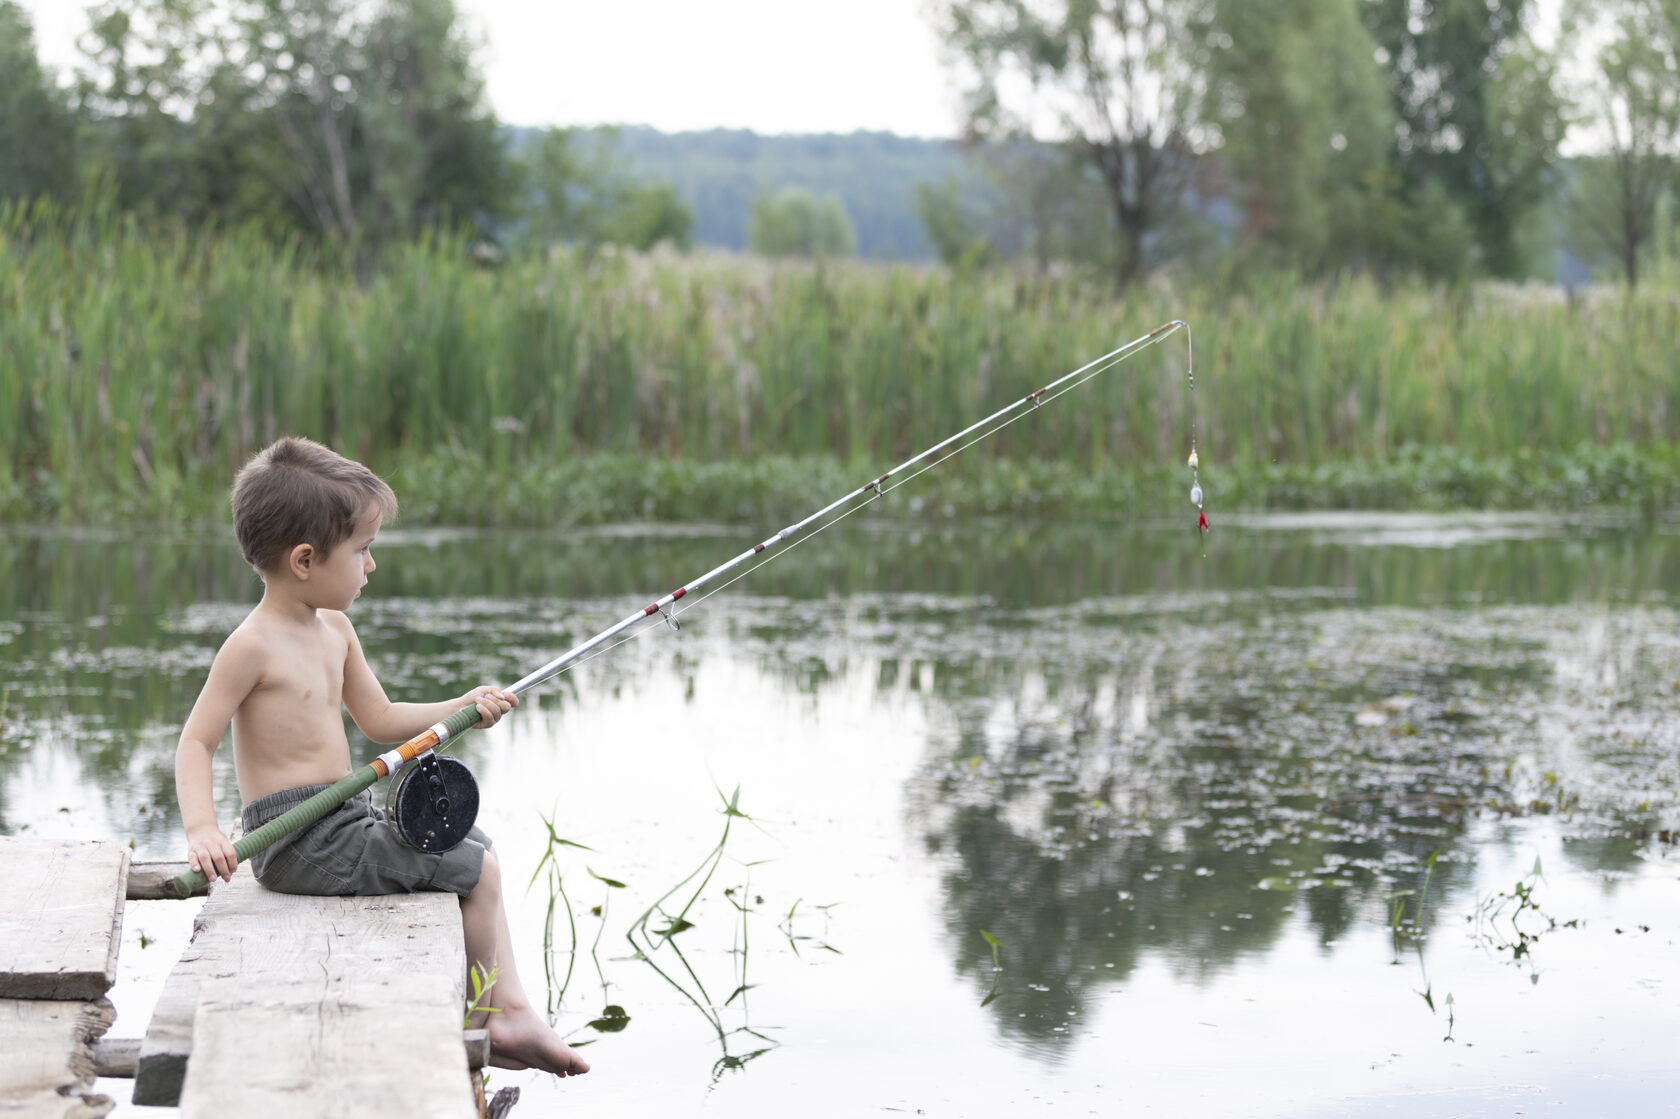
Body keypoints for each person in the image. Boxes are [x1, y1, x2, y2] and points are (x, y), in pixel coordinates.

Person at [174, 435, 589, 1078]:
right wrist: (203, 828)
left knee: (476, 843)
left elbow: (381, 721)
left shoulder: (335, 629)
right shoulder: (250, 646)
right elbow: (195, 741)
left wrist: (462, 708)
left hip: (345, 817)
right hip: (298, 840)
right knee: (475, 871)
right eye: (362, 550)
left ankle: (494, 1007)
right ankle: (496, 1014)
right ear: (305, 559)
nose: (371, 566)